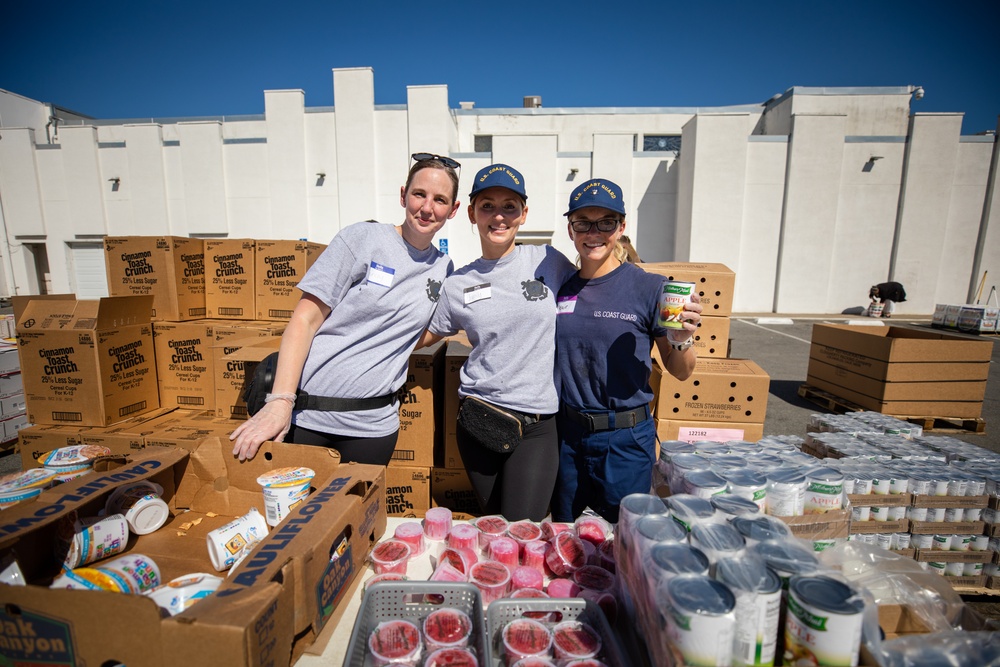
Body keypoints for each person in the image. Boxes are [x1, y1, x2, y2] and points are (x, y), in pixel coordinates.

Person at [230, 153, 461, 465]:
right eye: (419, 194)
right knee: (296, 514)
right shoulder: (362, 239)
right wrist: (281, 401)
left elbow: (424, 330)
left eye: (440, 199)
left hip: (373, 428)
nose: (427, 207)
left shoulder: (443, 268)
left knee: (355, 512)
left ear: (453, 209)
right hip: (308, 418)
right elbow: (305, 320)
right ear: (403, 194)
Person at [419, 164, 576, 521]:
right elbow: (424, 334)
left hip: (536, 425)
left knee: (523, 530)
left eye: (510, 206)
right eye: (487, 206)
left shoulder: (548, 261)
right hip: (478, 422)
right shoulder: (458, 283)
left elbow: (599, 287)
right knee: (493, 528)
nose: (499, 216)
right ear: (472, 214)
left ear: (524, 214)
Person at [551, 178, 702, 524]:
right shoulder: (561, 287)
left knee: (626, 541)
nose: (594, 233)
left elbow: (681, 370)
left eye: (605, 223)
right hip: (569, 438)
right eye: (583, 223)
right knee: (566, 537)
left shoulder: (650, 287)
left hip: (625, 441)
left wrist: (682, 337)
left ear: (620, 227)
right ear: (571, 229)